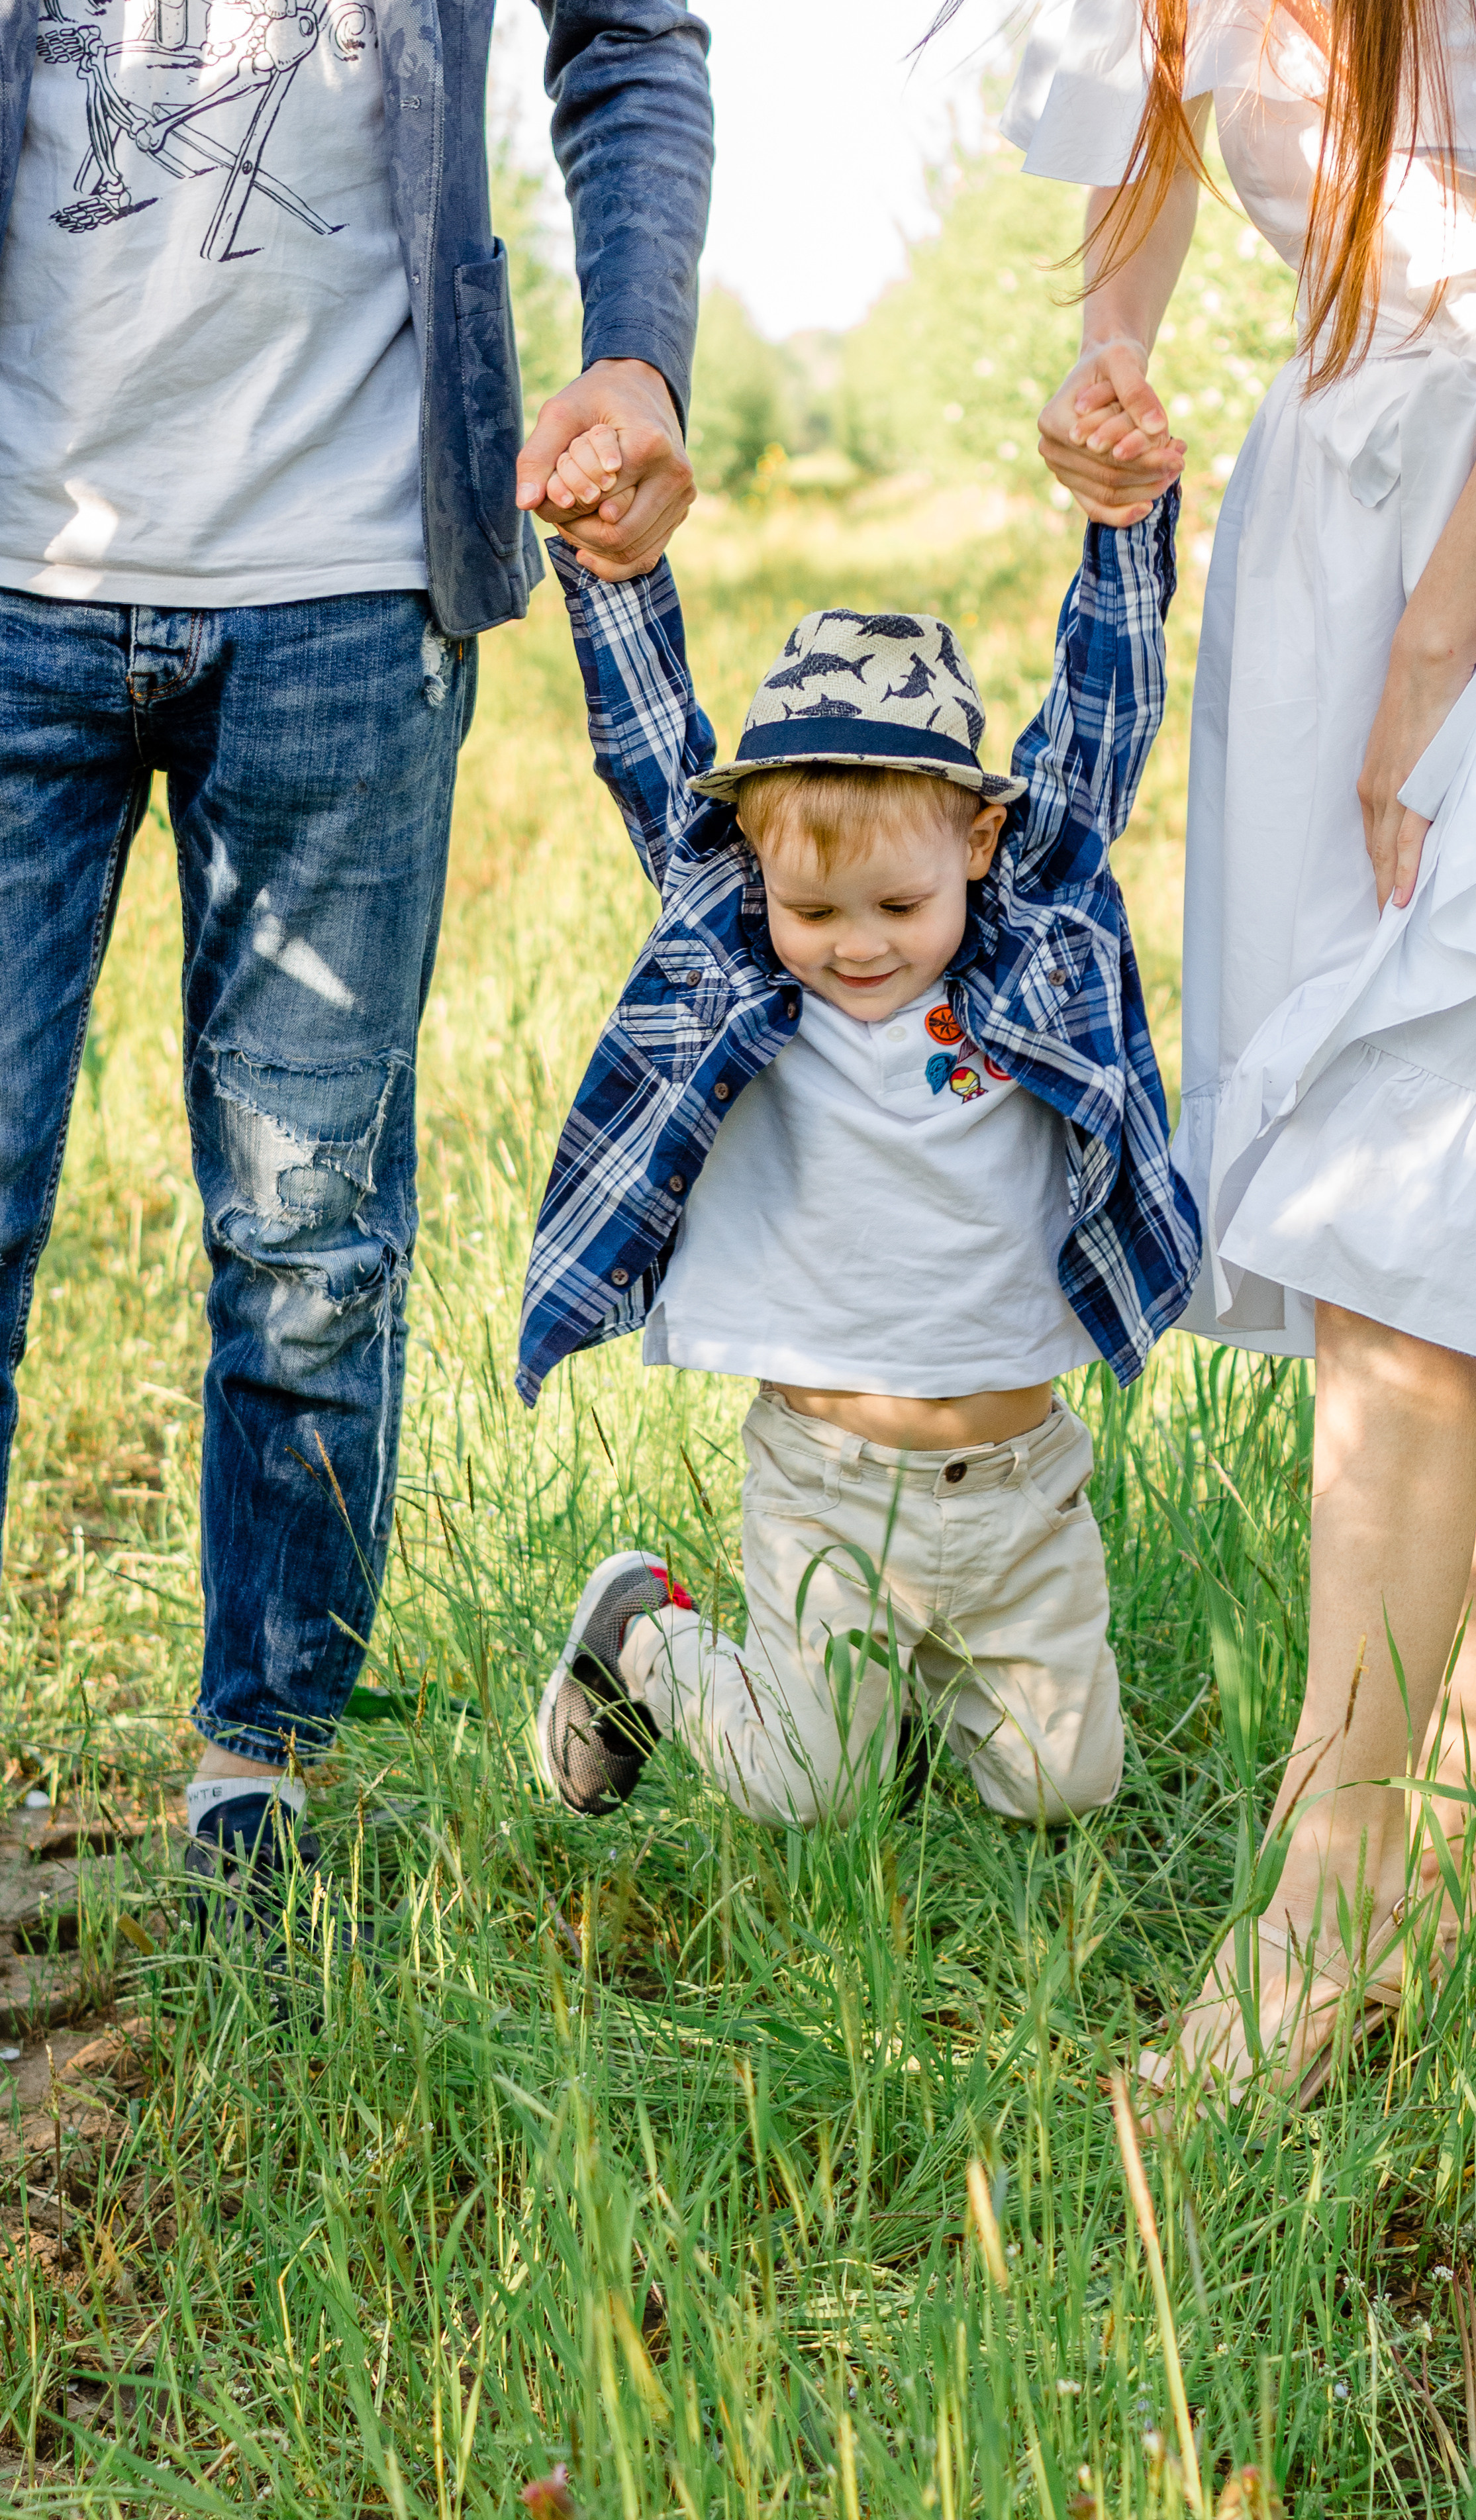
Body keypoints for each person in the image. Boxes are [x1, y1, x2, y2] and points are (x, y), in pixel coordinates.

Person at [1008, 0, 1476, 2105]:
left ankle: (1313, 1919)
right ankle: (1426, 1885)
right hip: (1342, 517)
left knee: (1415, 1185)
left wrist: (1440, 646)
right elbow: (1153, 137)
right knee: (1433, 1237)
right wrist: (1113, 354)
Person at [0, 0, 712, 1924]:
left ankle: (266, 1768)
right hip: (11, 569)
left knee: (308, 1226)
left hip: (345, 572)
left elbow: (630, 39)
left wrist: (636, 350)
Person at [513, 438, 1200, 1827]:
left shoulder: (1032, 941)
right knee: (805, 1797)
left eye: (900, 906)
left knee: (1065, 1789)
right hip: (825, 1484)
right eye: (816, 912)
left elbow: (1102, 729)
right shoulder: (733, 945)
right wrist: (615, 572)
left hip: (1021, 1487)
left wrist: (1124, 525)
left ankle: (899, 1696)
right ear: (756, 869)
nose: (859, 946)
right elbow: (655, 762)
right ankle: (649, 1637)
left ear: (980, 848)